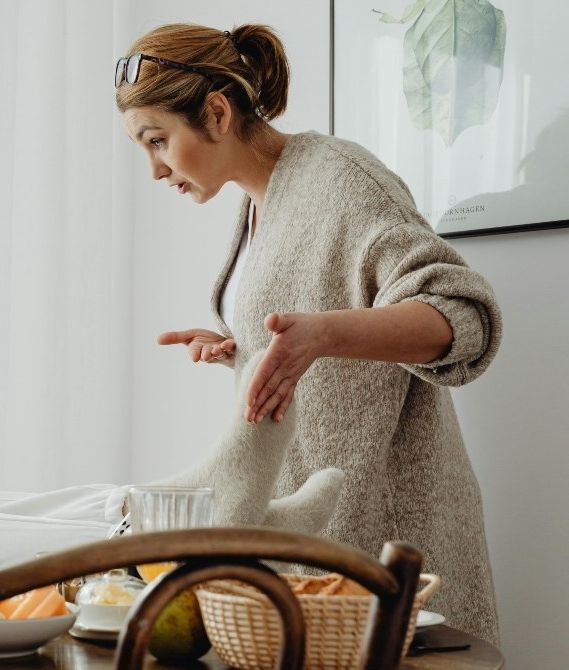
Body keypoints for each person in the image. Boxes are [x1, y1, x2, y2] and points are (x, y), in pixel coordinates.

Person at [115, 23, 503, 643]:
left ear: (216, 112)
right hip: (318, 543)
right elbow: (317, 322)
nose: (154, 170)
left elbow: (463, 319)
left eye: (157, 141)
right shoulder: (258, 203)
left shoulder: (342, 180)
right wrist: (241, 351)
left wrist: (322, 336)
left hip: (390, 537)